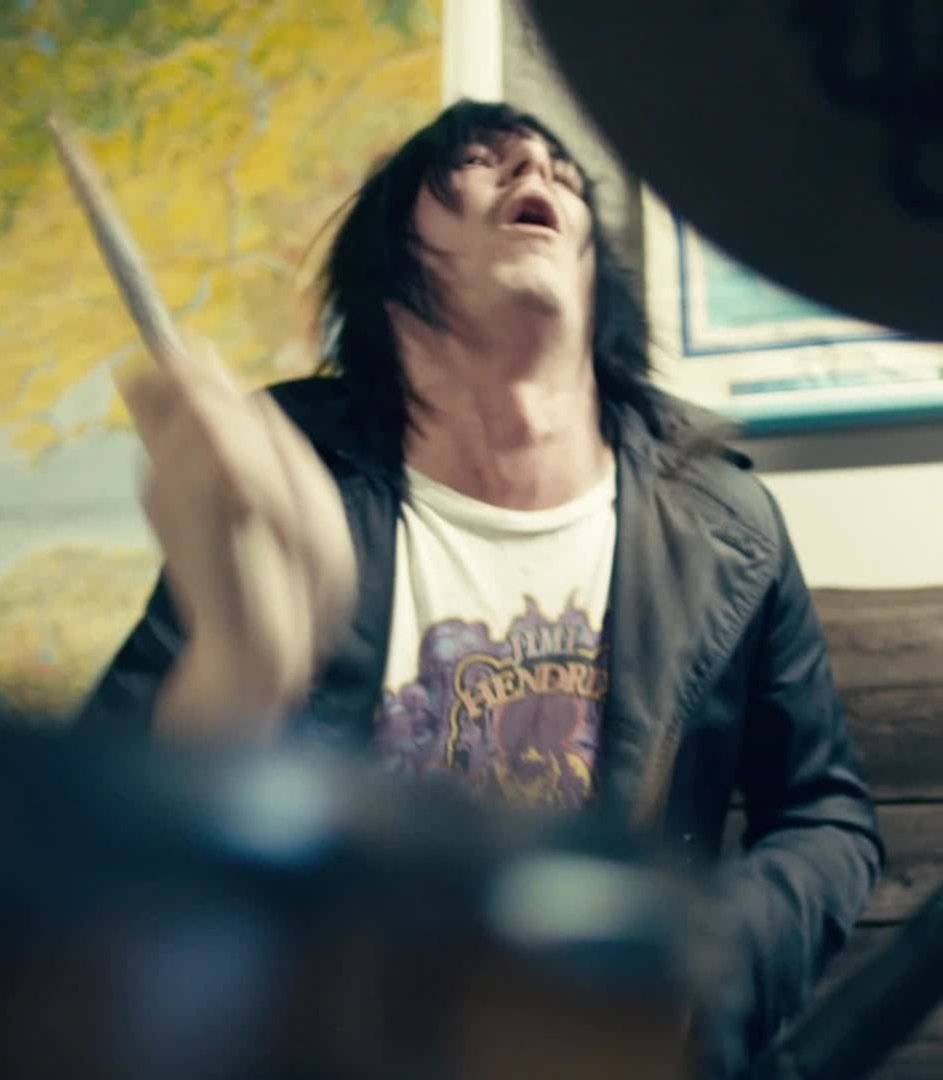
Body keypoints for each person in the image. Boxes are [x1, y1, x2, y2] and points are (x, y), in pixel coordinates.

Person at [76, 100, 884, 1077]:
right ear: (390, 260)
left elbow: (825, 817)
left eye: (561, 171)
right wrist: (242, 664)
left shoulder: (728, 527)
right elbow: (98, 836)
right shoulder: (282, 478)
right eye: (480, 160)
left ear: (593, 273)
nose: (535, 172)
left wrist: (709, 964)